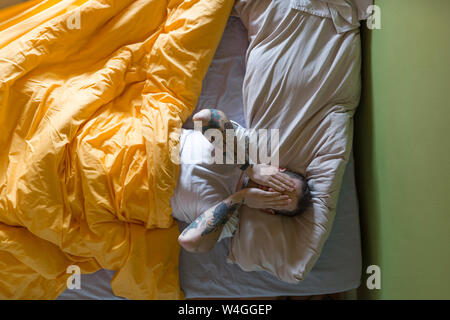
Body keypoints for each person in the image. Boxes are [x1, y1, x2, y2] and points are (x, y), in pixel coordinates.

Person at [171, 108, 311, 253]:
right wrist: (250, 168)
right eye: (284, 185)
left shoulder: (229, 219)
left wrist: (240, 198)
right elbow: (203, 118)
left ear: (269, 210)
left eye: (280, 199)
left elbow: (189, 242)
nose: (272, 190)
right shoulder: (245, 145)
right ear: (278, 169)